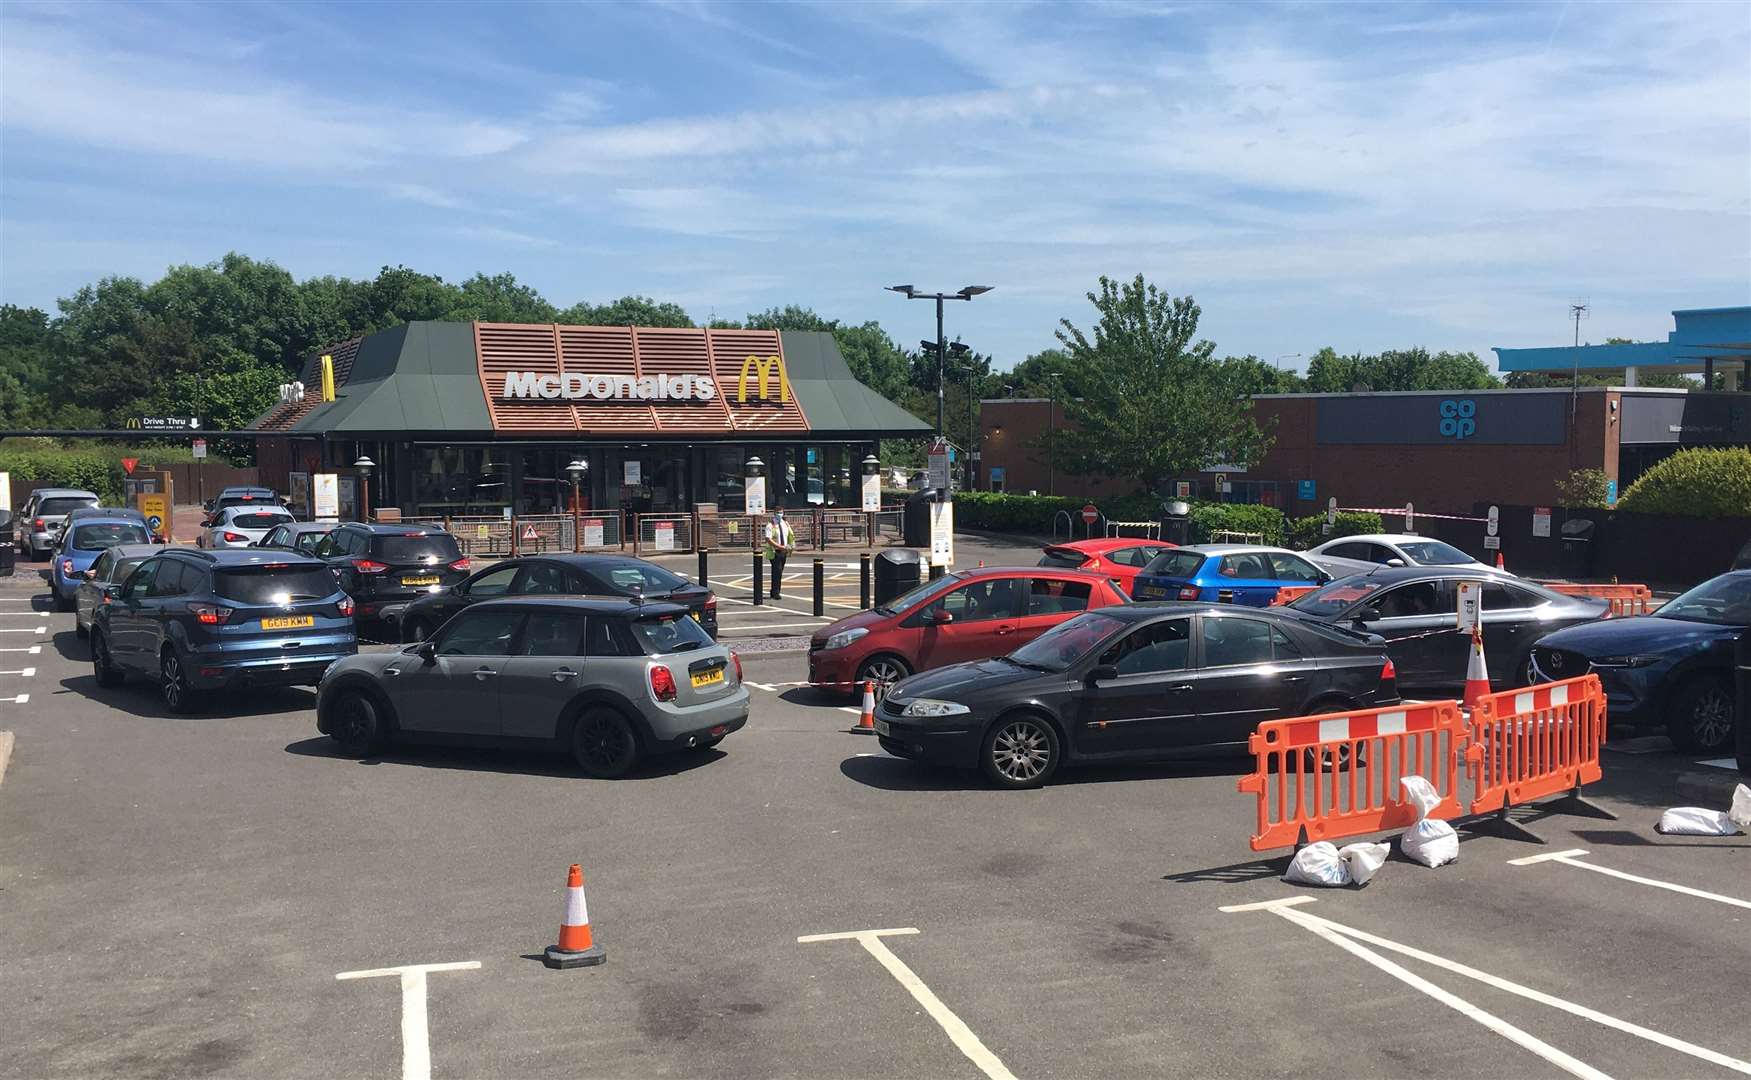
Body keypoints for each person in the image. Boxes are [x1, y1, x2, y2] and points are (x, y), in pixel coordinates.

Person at [765, 508, 795, 599]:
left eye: (781, 512)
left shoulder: (785, 523)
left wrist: (790, 546)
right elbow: (768, 539)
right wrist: (779, 546)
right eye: (778, 512)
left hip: (784, 551)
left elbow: (790, 535)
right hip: (775, 552)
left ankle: (775, 590)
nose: (780, 514)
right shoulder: (770, 525)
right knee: (776, 571)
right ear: (774, 513)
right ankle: (775, 592)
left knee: (780, 572)